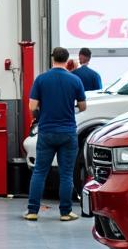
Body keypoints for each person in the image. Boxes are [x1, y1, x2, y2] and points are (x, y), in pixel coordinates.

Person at [24, 46, 87, 222]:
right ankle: (65, 212)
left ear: (52, 59)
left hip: (46, 132)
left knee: (39, 172)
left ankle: (32, 211)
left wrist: (42, 113)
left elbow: (32, 106)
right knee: (66, 174)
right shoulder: (75, 80)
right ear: (67, 61)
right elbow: (83, 107)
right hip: (67, 133)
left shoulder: (41, 79)